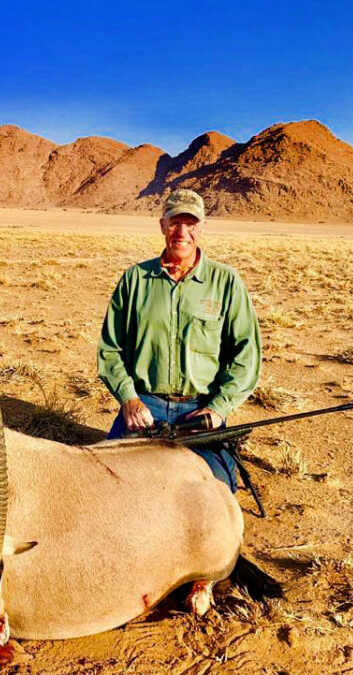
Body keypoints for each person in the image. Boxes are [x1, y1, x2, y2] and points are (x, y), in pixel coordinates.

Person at [97, 188, 261, 492]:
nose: (182, 232)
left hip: (199, 411)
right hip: (145, 408)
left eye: (190, 224)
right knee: (107, 485)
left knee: (219, 490)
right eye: (174, 223)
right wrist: (129, 400)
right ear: (162, 225)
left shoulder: (226, 282)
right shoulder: (135, 280)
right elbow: (111, 350)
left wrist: (219, 409)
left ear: (201, 228)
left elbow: (246, 355)